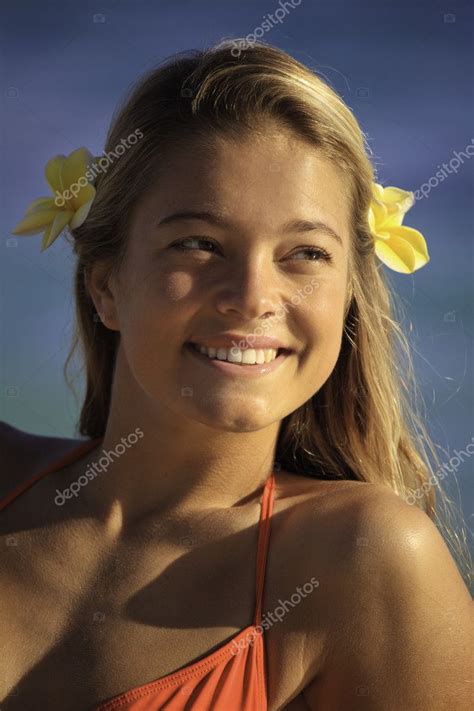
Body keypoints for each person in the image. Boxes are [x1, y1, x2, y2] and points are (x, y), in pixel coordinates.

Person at [1, 40, 472, 710]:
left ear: (346, 297)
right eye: (199, 243)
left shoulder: (367, 559)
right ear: (107, 285)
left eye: (304, 253)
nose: (252, 295)